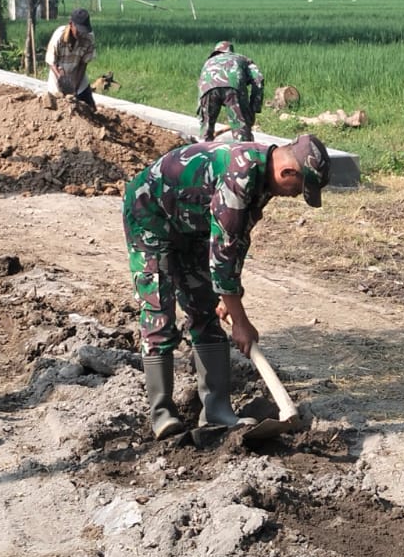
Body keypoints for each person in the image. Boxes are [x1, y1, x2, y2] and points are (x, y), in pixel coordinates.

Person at [123, 135, 331, 438]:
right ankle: (162, 412)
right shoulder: (240, 175)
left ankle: (217, 410)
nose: (294, 196)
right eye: (298, 189)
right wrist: (241, 322)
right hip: (150, 218)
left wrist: (225, 296)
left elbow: (235, 242)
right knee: (159, 311)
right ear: (288, 173)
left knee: (204, 311)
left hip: (193, 228)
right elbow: (223, 254)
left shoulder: (262, 183)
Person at [197, 40, 265, 142]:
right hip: (233, 88)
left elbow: (202, 85)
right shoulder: (242, 59)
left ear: (216, 52)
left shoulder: (209, 61)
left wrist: (200, 111)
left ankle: (203, 150)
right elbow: (258, 79)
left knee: (206, 127)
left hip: (208, 89)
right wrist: (254, 107)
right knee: (240, 129)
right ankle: (243, 152)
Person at [45, 8, 97, 109]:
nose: (82, 33)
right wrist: (62, 79)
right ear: (71, 24)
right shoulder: (59, 36)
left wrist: (75, 87)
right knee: (58, 108)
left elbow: (83, 64)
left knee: (91, 110)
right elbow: (51, 61)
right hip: (58, 75)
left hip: (77, 74)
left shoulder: (89, 38)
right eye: (79, 30)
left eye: (84, 30)